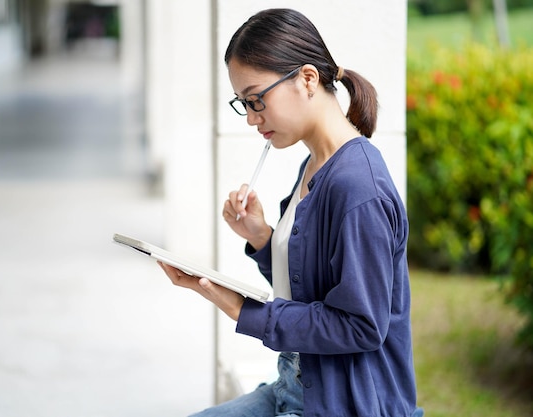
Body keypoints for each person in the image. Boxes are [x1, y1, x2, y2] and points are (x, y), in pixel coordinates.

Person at [158, 8, 423, 417]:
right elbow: (310, 286)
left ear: (307, 79)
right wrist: (262, 237)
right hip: (295, 384)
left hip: (343, 405)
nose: (250, 118)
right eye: (243, 103)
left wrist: (240, 308)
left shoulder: (358, 187)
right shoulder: (315, 164)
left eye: (257, 99)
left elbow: (360, 325)